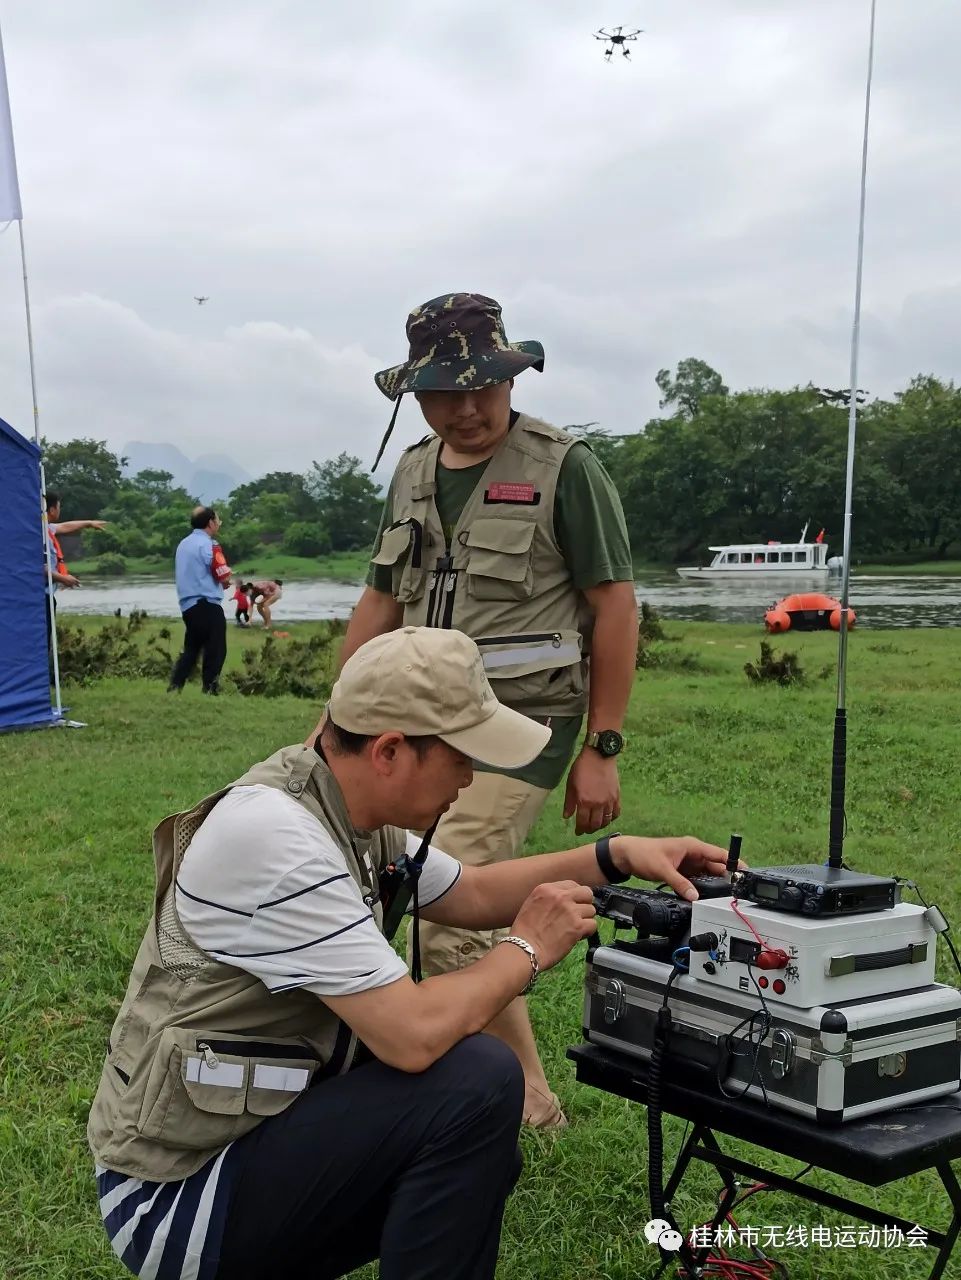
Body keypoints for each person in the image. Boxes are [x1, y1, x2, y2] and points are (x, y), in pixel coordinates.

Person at [88, 625, 727, 1280]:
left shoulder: (342, 806)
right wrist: (527, 948)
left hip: (231, 1151)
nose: (473, 776)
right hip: (171, 1203)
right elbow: (412, 1036)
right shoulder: (278, 840)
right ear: (391, 751)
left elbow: (474, 892)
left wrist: (617, 855)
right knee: (476, 1080)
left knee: (481, 1145)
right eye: (461, 757)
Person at [308, 292, 639, 1127]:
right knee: (394, 884)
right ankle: (469, 1072)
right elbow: (381, 601)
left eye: (482, 388)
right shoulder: (413, 470)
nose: (466, 410)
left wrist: (602, 745)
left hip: (523, 724)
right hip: (419, 725)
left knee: (439, 907)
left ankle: (524, 1097)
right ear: (416, 395)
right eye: (445, 394)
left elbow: (614, 605)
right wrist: (335, 719)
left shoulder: (565, 467)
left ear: (509, 376)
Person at [168, 506, 232, 695]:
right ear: (211, 522)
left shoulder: (183, 544)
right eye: (218, 520)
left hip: (188, 605)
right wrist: (226, 581)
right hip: (207, 603)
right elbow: (223, 574)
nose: (219, 524)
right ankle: (210, 689)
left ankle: (175, 686)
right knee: (216, 648)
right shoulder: (209, 545)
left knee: (192, 649)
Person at [42, 491, 108, 647]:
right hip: (41, 596)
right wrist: (64, 578)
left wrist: (89, 523)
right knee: (42, 641)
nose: (60, 510)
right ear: (52, 510)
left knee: (47, 639)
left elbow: (65, 526)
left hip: (47, 594)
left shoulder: (46, 528)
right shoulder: (39, 533)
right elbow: (39, 568)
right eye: (59, 507)